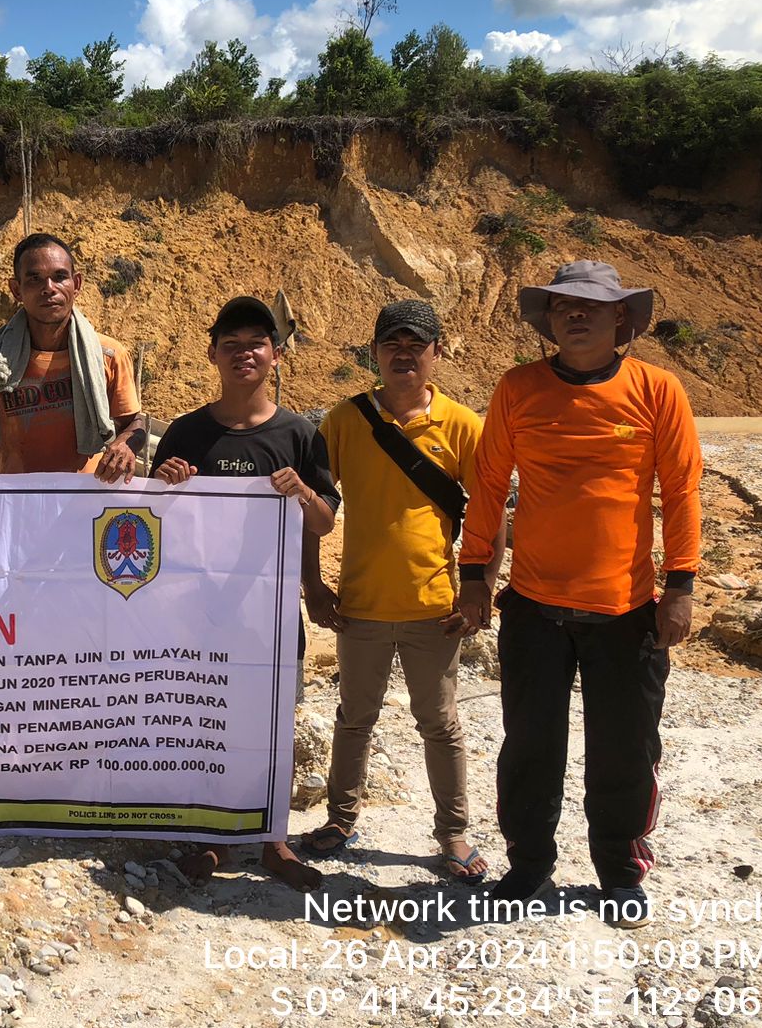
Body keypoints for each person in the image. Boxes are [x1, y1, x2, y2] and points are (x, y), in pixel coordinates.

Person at [455, 260, 702, 930]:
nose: (577, 314)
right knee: (531, 746)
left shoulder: (657, 391)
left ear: (621, 317)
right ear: (549, 319)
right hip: (533, 606)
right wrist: (474, 576)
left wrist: (680, 586)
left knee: (625, 749)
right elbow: (487, 487)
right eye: (564, 305)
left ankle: (620, 873)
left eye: (593, 306)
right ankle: (529, 865)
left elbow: (680, 493)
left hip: (627, 609)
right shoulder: (517, 388)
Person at [299, 300, 504, 884]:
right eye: (392, 344)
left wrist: (480, 586)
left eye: (417, 345)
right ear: (375, 352)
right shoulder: (343, 421)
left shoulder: (465, 426)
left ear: (437, 351)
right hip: (360, 604)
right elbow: (313, 508)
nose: (404, 354)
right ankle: (341, 820)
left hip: (434, 607)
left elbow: (491, 515)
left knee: (439, 724)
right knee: (352, 717)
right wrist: (314, 583)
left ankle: (454, 834)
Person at [150, 296, 341, 892]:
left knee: (274, 723)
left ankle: (272, 839)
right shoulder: (185, 432)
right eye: (230, 344)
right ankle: (211, 835)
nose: (244, 354)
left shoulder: (299, 435)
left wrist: (304, 495)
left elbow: (326, 521)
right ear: (212, 354)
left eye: (255, 343)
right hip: (200, 616)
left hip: (273, 616)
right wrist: (164, 485)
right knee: (206, 722)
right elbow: (150, 521)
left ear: (275, 355)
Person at [0, 232, 144, 484]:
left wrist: (126, 446)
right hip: (20, 499)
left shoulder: (107, 355)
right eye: (35, 279)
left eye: (60, 277)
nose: (49, 288)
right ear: (16, 289)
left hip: (89, 497)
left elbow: (134, 423)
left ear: (77, 284)